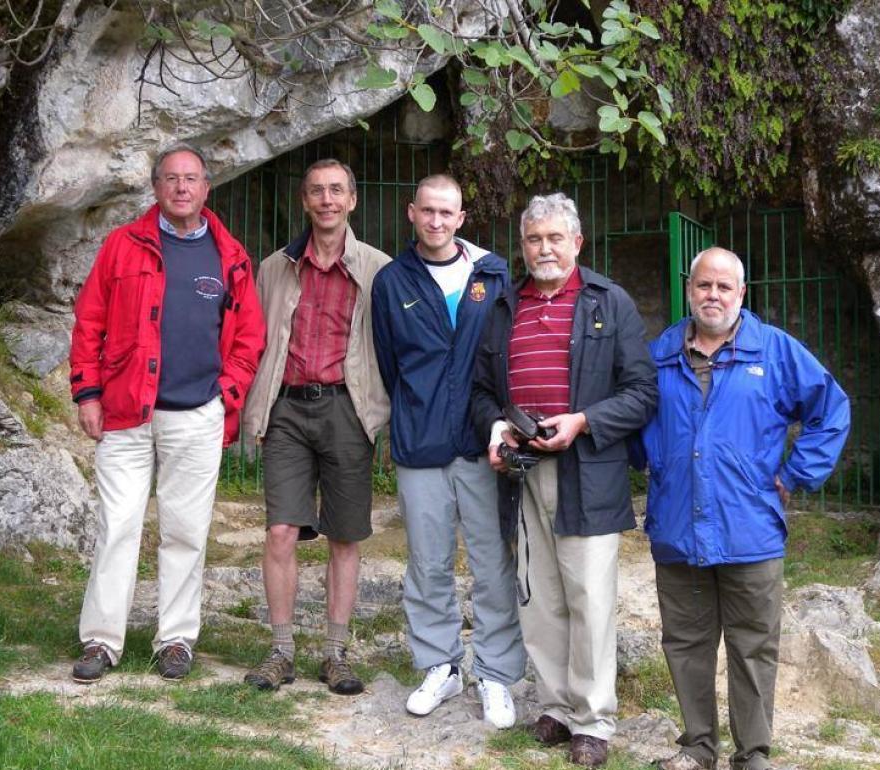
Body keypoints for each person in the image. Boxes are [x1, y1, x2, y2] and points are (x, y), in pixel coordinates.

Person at [638, 247, 850, 770]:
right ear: (689, 290)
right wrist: (655, 467)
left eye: (723, 287)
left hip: (749, 528)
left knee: (753, 648)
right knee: (686, 643)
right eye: (703, 286)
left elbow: (831, 409)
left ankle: (752, 754)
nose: (712, 296)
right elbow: (630, 421)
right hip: (677, 526)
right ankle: (696, 749)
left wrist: (796, 474)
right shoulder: (659, 354)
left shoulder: (774, 352)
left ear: (741, 294)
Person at [68, 142, 267, 683]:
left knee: (185, 531)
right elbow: (89, 321)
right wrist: (87, 393)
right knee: (117, 526)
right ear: (156, 188)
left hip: (195, 415)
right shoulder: (122, 245)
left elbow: (250, 337)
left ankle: (175, 640)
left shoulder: (230, 256)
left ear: (207, 189)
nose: (182, 187)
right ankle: (100, 641)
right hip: (126, 413)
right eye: (171, 178)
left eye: (192, 179)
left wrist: (227, 394)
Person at [471, 192, 657, 767]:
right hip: (523, 473)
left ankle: (594, 717)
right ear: (522, 246)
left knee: (590, 597)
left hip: (588, 471)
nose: (544, 248)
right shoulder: (504, 306)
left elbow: (643, 392)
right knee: (540, 596)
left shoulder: (609, 302)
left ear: (577, 243)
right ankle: (554, 705)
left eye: (555, 238)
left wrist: (583, 421)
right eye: (534, 239)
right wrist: (498, 427)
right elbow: (479, 390)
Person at [371, 174, 525, 727]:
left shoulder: (493, 273)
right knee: (428, 564)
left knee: (492, 562)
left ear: (463, 217)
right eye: (428, 211)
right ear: (411, 213)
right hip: (421, 443)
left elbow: (507, 354)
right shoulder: (392, 281)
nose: (437, 221)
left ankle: (496, 673)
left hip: (484, 443)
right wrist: (416, 413)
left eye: (448, 212)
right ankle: (440, 664)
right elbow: (390, 365)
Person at [240, 158, 391, 696]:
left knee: (344, 536)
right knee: (281, 530)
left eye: (336, 191)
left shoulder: (380, 269)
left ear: (352, 200)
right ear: (304, 202)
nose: (326, 200)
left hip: (347, 411)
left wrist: (380, 410)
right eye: (316, 192)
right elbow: (255, 343)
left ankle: (335, 653)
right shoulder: (274, 267)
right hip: (286, 409)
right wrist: (250, 409)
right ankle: (281, 650)